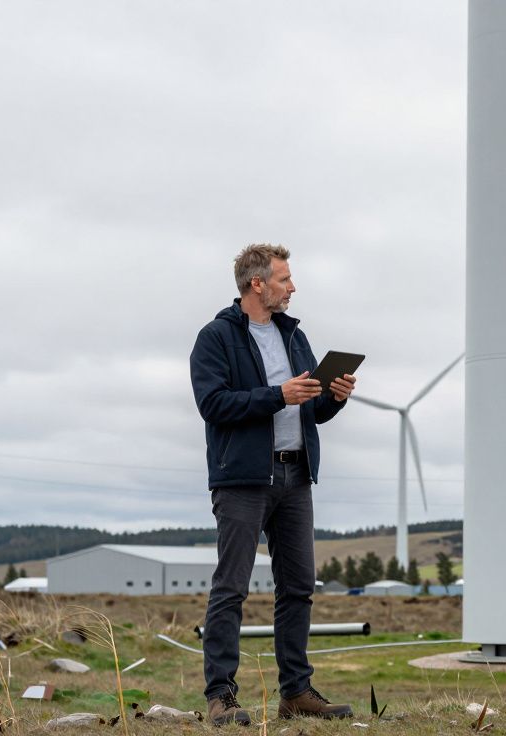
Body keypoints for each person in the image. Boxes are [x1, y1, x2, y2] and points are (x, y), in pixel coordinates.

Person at [190, 243, 357, 724]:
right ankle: (221, 697)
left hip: (296, 474)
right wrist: (276, 395)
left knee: (299, 587)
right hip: (242, 478)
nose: (293, 286)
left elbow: (312, 410)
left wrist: (335, 397)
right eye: (284, 278)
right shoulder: (216, 337)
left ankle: (296, 693)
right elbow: (214, 404)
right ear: (257, 283)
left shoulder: (293, 335)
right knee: (231, 588)